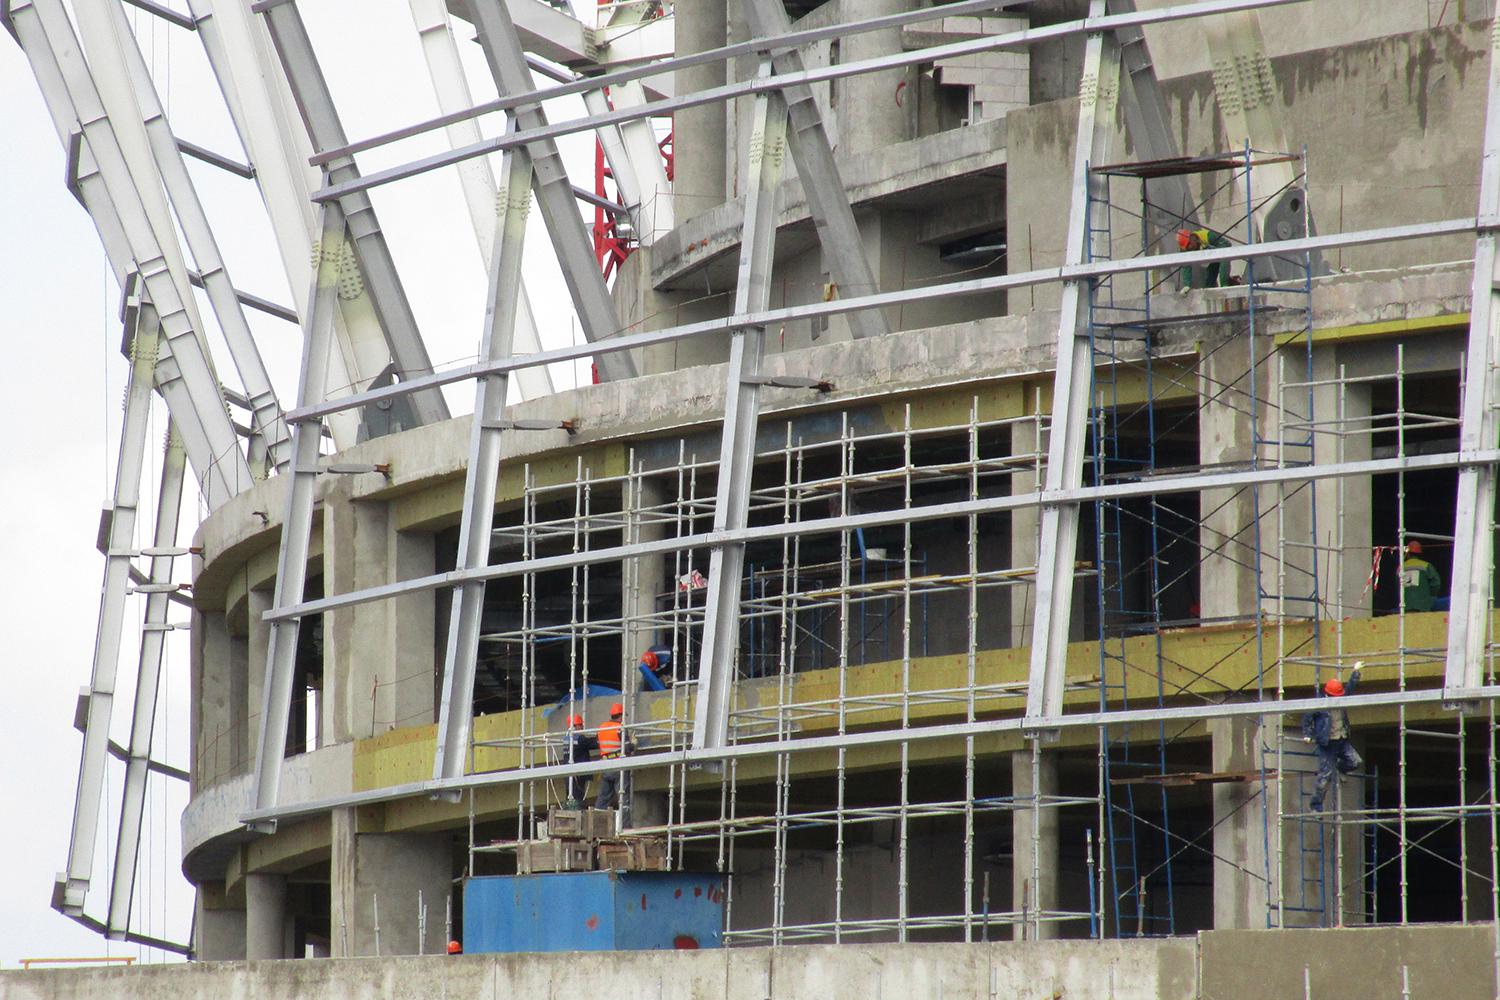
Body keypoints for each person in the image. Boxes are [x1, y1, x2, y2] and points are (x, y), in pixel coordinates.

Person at [1301, 663, 1363, 812]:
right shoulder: (1320, 703)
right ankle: (1315, 807)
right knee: (1324, 779)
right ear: (1328, 694)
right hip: (1327, 745)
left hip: (1342, 740)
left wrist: (1355, 672)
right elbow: (1306, 718)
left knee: (1355, 761)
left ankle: (1341, 769)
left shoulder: (1341, 697)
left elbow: (1350, 688)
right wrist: (1308, 734)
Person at [594, 702, 634, 811]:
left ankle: (597, 824)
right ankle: (625, 827)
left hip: (606, 766)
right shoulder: (620, 728)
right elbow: (627, 748)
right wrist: (633, 744)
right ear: (620, 716)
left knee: (603, 799)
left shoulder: (601, 728)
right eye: (623, 717)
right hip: (618, 765)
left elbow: (598, 743)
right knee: (623, 798)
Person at [1401, 541, 1446, 612]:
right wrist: (1430, 597)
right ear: (1420, 553)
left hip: (1405, 606)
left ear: (1407, 553)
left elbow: (1397, 586)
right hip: (1423, 606)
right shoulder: (1426, 566)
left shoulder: (1401, 567)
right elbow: (1436, 584)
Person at [563, 713, 597, 808]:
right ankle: (576, 815)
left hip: (569, 774)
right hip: (577, 775)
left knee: (570, 797)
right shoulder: (579, 738)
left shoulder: (566, 738)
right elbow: (593, 744)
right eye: (580, 725)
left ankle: (571, 813)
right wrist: (602, 736)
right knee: (577, 799)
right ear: (575, 726)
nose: (582, 727)